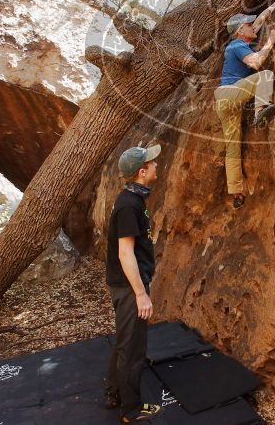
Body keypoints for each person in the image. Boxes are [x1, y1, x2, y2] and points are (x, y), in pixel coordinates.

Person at [104, 144, 163, 422]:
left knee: (125, 342)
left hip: (127, 283)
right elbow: (125, 252)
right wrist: (141, 294)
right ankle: (130, 409)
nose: (156, 166)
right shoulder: (129, 205)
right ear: (142, 171)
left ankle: (114, 392)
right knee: (133, 348)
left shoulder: (132, 198)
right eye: (152, 163)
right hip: (130, 286)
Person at [215, 0, 275, 209]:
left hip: (225, 101)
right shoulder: (237, 45)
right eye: (248, 25)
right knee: (264, 75)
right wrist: (271, 41)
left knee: (232, 148)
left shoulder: (241, 39)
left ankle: (236, 192)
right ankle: (260, 110)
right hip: (230, 94)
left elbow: (259, 20)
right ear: (239, 31)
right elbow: (255, 63)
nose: (252, 27)